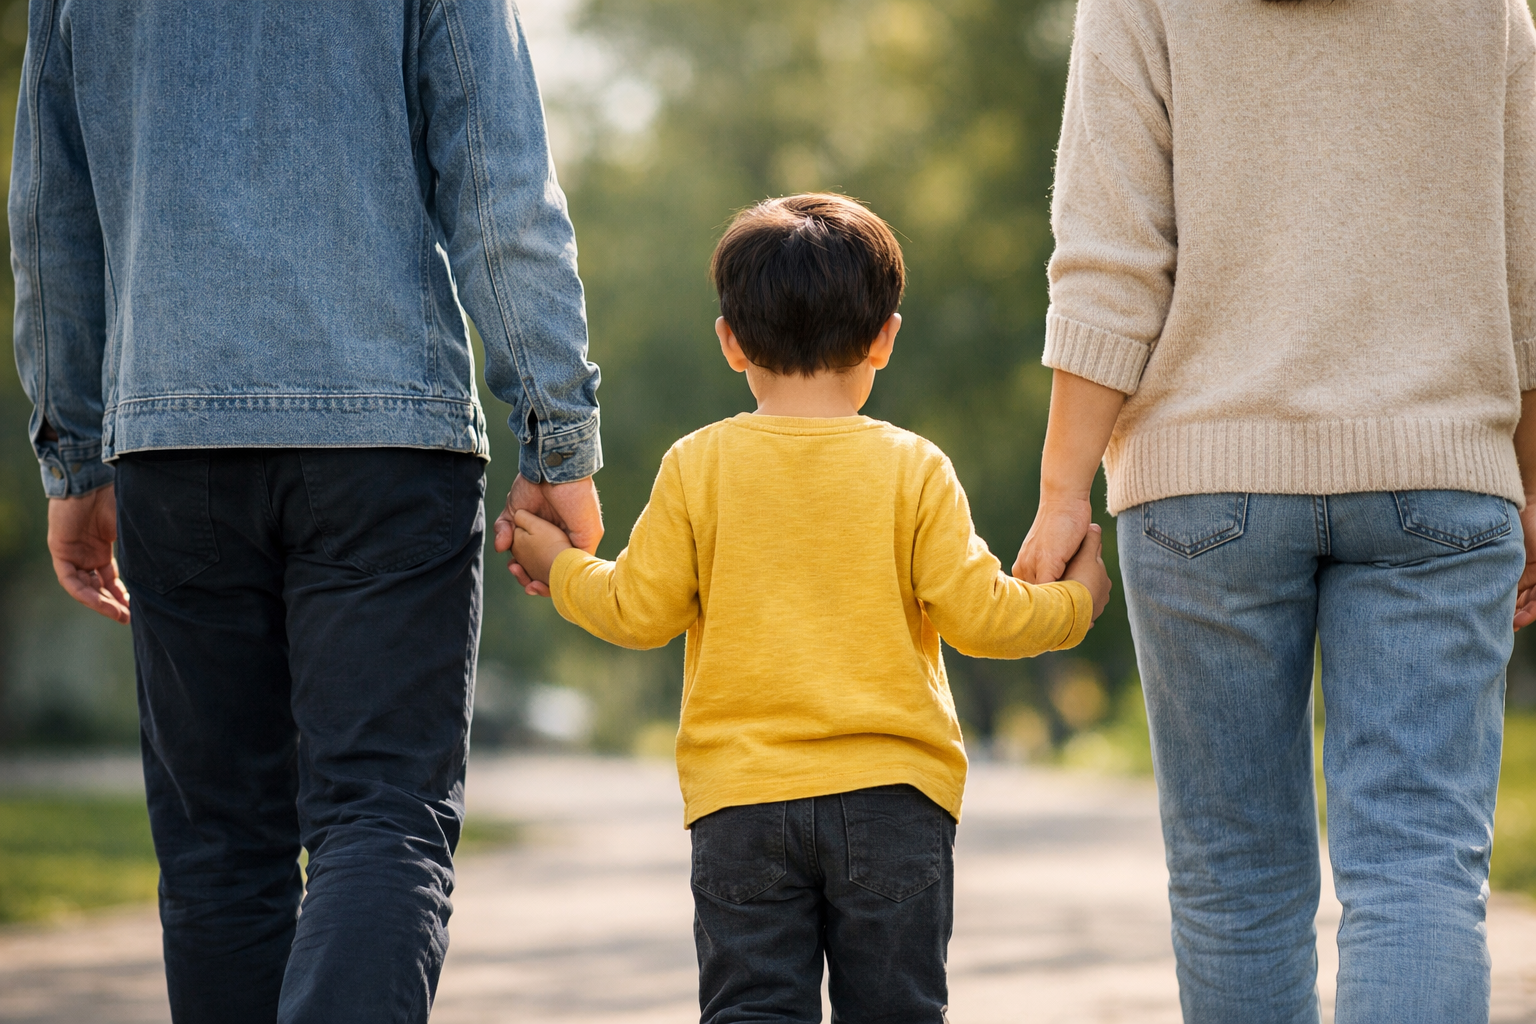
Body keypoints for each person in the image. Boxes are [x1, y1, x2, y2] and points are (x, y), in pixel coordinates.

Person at [11, 2, 603, 1021]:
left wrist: (72, 453)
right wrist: (556, 433)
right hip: (386, 437)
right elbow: (499, 182)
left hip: (173, 437)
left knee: (218, 848)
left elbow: (50, 216)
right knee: (381, 815)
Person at [1014, 1, 1536, 1021]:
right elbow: (1527, 269)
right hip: (1442, 469)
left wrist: (1063, 489)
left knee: (1234, 878)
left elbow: (1109, 261)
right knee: (1421, 864)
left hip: (1202, 483)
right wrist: (1530, 471)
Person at [508, 192, 1112, 1023]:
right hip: (894, 801)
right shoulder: (915, 469)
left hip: (741, 805)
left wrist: (562, 561)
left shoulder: (698, 466)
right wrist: (1076, 600)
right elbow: (985, 619)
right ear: (885, 338)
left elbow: (637, 612)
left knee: (752, 1010)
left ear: (729, 342)